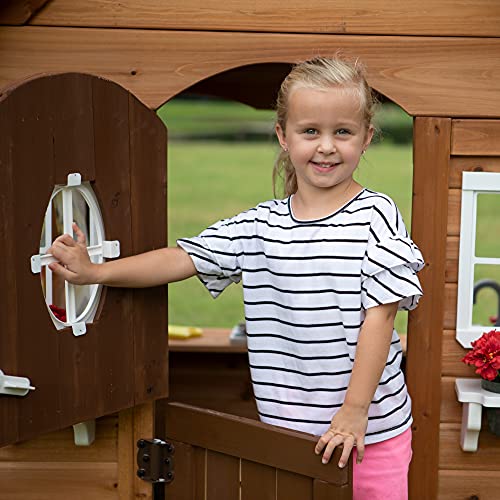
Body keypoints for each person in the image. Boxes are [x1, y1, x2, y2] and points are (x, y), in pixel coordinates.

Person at [48, 56, 424, 499]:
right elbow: (180, 259)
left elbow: (380, 319)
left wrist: (354, 411)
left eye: (342, 131)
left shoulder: (375, 215)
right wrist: (96, 271)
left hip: (370, 434)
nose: (326, 146)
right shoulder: (259, 227)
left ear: (366, 139)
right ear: (283, 136)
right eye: (310, 131)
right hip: (286, 439)